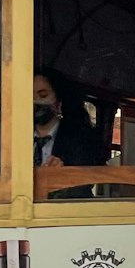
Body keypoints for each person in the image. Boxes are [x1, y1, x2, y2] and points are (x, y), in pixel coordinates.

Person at [33, 70, 98, 199]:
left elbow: (82, 187)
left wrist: (61, 177)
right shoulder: (15, 139)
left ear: (59, 102)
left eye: (43, 95)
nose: (35, 102)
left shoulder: (80, 140)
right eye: (29, 96)